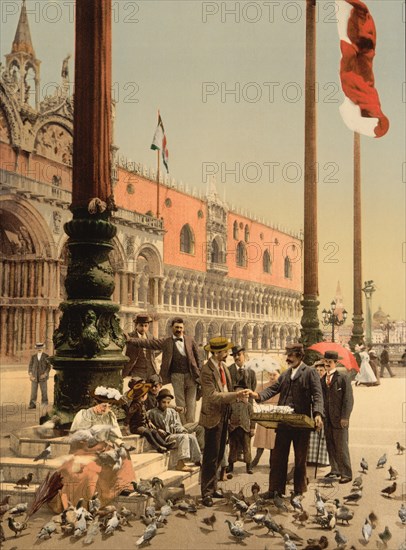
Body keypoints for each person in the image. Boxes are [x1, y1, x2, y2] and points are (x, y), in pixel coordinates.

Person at [248, 343, 324, 498]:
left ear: (299, 356)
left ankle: (298, 490)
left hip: (301, 423)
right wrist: (258, 396)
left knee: (300, 458)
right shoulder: (285, 374)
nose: (288, 358)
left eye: (290, 355)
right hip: (283, 422)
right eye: (287, 355)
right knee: (277, 457)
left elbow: (317, 395)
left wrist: (317, 414)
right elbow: (273, 389)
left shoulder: (310, 372)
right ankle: (275, 489)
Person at [55, 394, 136, 510]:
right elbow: (75, 437)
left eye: (109, 406)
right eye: (103, 406)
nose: (106, 409)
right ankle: (86, 502)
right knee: (89, 470)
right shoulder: (83, 415)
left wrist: (122, 444)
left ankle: (123, 486)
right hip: (84, 450)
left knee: (123, 454)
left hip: (104, 447)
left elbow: (113, 436)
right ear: (95, 403)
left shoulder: (109, 415)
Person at [199, 337, 251, 507]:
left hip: (224, 416)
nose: (227, 353)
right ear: (216, 352)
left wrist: (239, 397)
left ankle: (213, 488)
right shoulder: (206, 370)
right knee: (210, 456)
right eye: (224, 351)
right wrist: (236, 395)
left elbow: (227, 390)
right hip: (212, 416)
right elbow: (212, 396)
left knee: (220, 454)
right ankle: (206, 492)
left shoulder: (224, 369)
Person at [126, 317, 202, 424]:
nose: (179, 330)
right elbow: (149, 343)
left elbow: (198, 359)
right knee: (181, 403)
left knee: (192, 404)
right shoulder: (166, 341)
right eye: (176, 327)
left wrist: (199, 375)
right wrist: (130, 340)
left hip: (191, 376)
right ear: (172, 328)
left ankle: (191, 425)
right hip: (176, 376)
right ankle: (184, 427)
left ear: (183, 328)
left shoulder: (190, 340)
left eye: (180, 327)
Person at [147, 388, 202, 471]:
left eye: (168, 403)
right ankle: (180, 463)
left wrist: (182, 430)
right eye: (163, 402)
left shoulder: (171, 412)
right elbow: (147, 424)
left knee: (191, 436)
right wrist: (157, 429)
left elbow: (177, 425)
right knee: (184, 438)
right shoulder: (152, 412)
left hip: (173, 436)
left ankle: (198, 460)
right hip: (164, 439)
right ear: (158, 401)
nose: (166, 405)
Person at [322, 351, 354, 484]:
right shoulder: (322, 378)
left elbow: (348, 400)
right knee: (330, 444)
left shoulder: (343, 377)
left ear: (336, 362)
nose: (327, 364)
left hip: (339, 418)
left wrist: (345, 417)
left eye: (330, 362)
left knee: (341, 446)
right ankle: (335, 470)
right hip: (327, 419)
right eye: (325, 361)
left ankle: (346, 473)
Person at [125, 381, 176, 453]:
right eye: (146, 394)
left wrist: (149, 421)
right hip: (136, 427)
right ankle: (158, 448)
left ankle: (165, 444)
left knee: (154, 432)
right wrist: (126, 427)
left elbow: (145, 415)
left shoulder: (142, 404)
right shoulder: (135, 405)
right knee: (148, 432)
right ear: (142, 396)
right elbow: (128, 416)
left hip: (142, 425)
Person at [252, 368, 281, 469]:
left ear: (279, 375)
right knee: (261, 438)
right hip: (264, 412)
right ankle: (256, 459)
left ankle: (272, 461)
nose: (272, 377)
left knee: (273, 439)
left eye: (274, 375)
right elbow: (256, 398)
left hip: (275, 413)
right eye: (270, 375)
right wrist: (260, 399)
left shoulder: (281, 386)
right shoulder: (263, 386)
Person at [123, 314, 160, 382]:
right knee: (139, 390)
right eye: (141, 325)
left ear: (148, 326)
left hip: (151, 370)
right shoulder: (129, 337)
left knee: (152, 390)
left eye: (146, 326)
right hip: (137, 371)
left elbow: (159, 346)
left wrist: (152, 357)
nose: (143, 328)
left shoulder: (151, 337)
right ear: (136, 325)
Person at [227, 383, 255, 474]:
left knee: (247, 447)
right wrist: (228, 427)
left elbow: (253, 418)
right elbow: (227, 417)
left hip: (245, 429)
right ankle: (230, 466)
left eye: (241, 391)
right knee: (233, 447)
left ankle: (249, 466)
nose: (240, 393)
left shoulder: (248, 405)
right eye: (237, 391)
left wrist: (252, 428)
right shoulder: (231, 404)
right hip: (233, 429)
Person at [307, 361, 330, 467]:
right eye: (317, 371)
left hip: (323, 410)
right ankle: (311, 459)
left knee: (322, 435)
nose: (319, 372)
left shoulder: (326, 382)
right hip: (313, 409)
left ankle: (322, 460)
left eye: (321, 370)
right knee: (312, 435)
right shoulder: (311, 381)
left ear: (325, 371)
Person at [28, 342, 51, 409]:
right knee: (33, 391)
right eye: (38, 348)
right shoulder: (33, 357)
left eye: (40, 348)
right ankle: (32, 404)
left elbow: (48, 367)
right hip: (34, 376)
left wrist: (45, 374)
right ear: (36, 348)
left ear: (43, 348)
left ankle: (44, 403)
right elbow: (30, 366)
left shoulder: (46, 356)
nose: (39, 349)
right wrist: (30, 375)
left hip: (43, 376)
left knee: (44, 390)